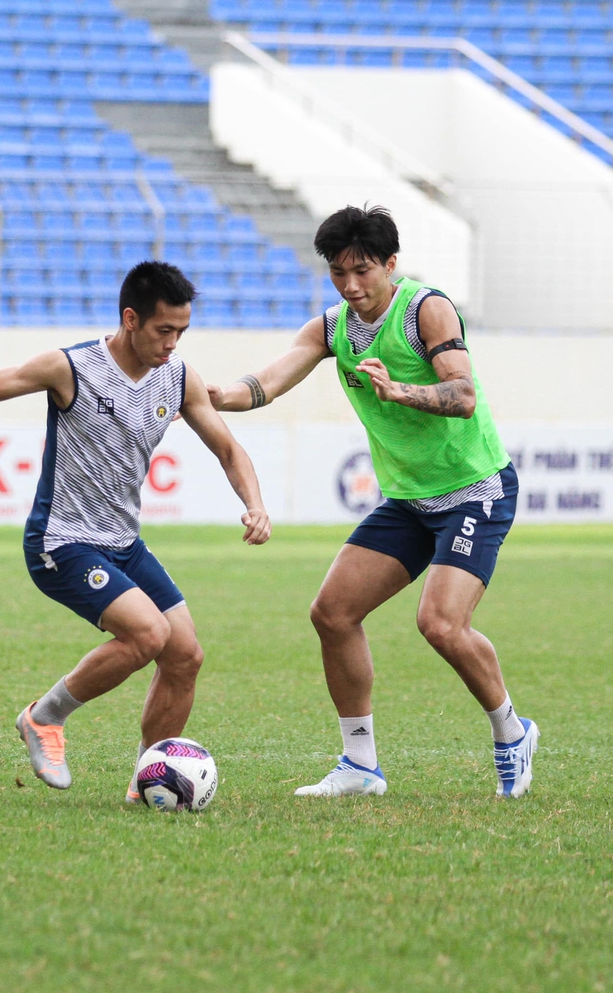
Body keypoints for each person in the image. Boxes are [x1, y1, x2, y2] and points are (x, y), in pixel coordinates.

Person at [0, 261, 271, 798]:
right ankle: (43, 718)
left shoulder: (178, 376)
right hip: (62, 541)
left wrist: (254, 504)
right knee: (147, 634)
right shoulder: (70, 367)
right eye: (163, 330)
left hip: (124, 543)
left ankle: (148, 779)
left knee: (185, 655)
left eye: (181, 332)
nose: (173, 343)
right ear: (130, 320)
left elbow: (228, 448)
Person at [208, 206, 538, 799]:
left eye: (362, 271)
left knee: (439, 623)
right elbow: (269, 382)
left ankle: (512, 732)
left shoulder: (425, 309)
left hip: (475, 490)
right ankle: (360, 765)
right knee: (331, 613)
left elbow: (462, 395)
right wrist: (218, 395)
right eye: (338, 273)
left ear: (390, 264)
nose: (352, 286)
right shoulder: (332, 327)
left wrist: (400, 390)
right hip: (410, 499)